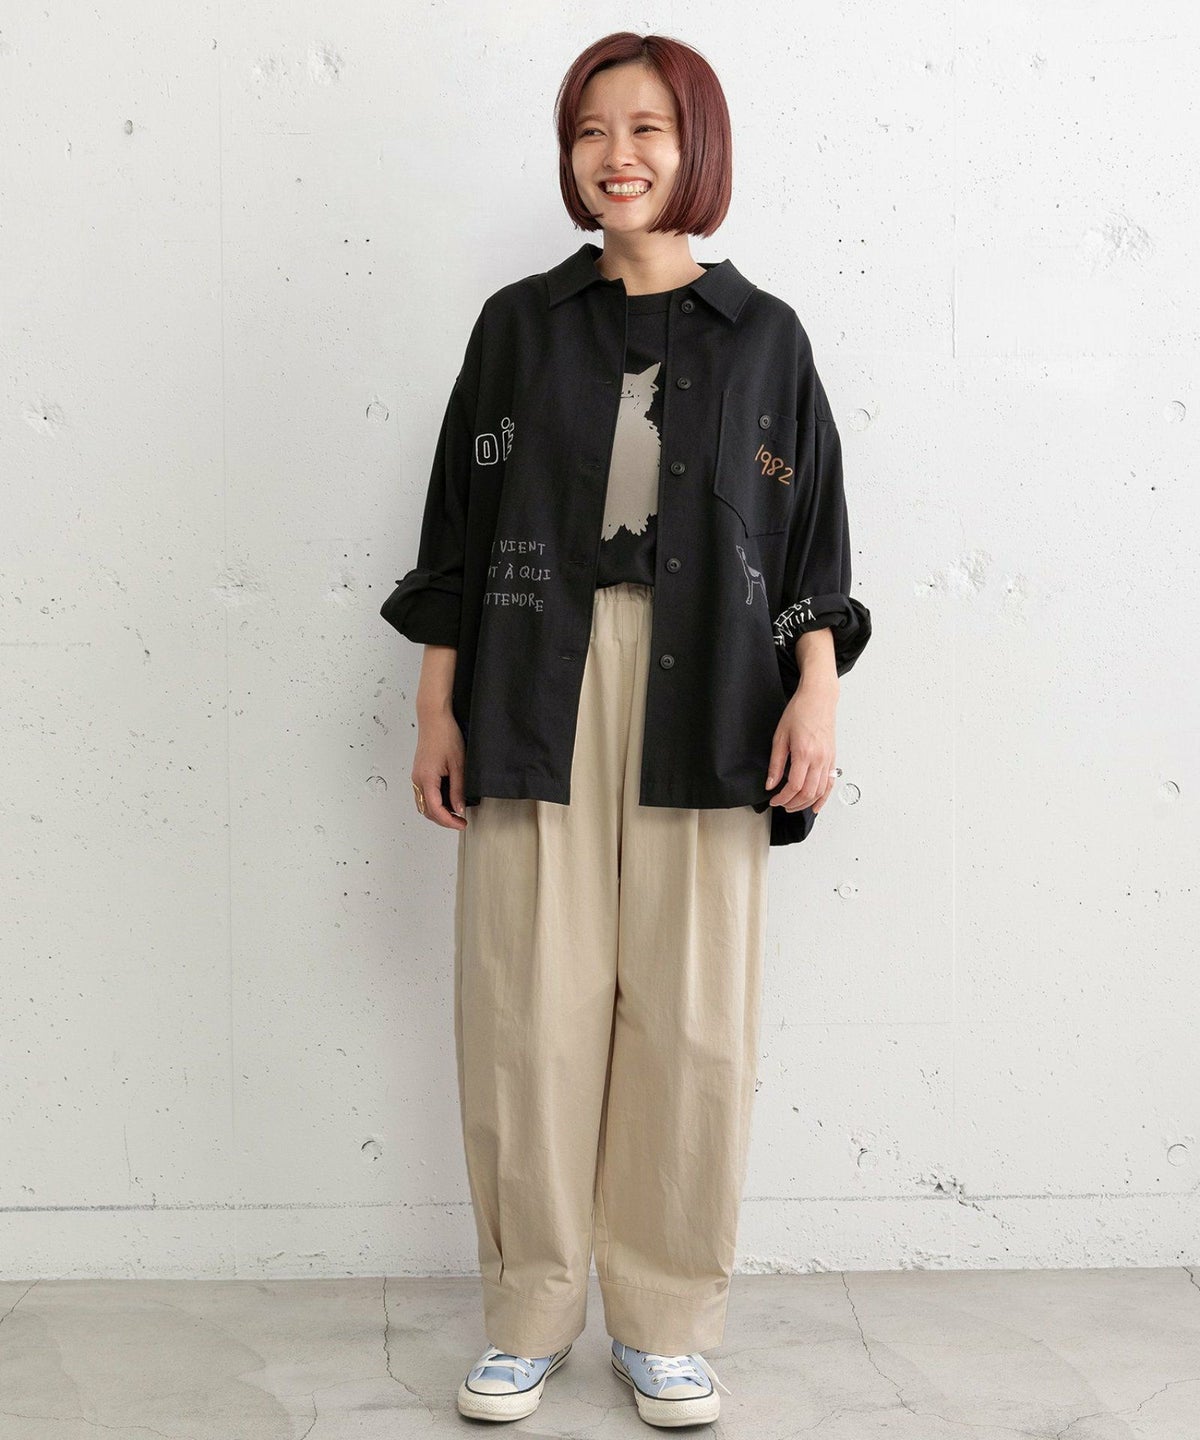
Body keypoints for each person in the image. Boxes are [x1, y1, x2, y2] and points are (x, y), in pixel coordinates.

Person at [381, 30, 872, 1428]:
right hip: (532, 678)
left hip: (713, 684)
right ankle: (529, 1314)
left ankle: (665, 1322)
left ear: (695, 145)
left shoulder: (766, 338)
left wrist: (817, 691)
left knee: (693, 1017)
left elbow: (812, 537)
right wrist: (436, 704)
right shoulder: (518, 328)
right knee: (525, 1008)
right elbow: (457, 526)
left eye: (649, 127)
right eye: (593, 129)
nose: (619, 155)